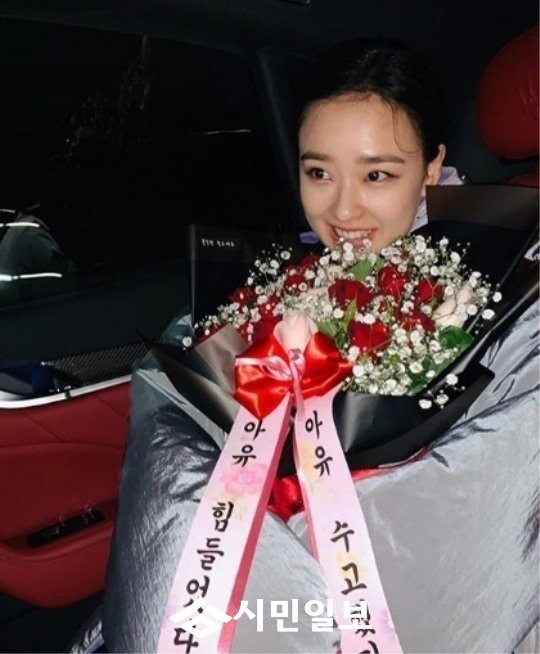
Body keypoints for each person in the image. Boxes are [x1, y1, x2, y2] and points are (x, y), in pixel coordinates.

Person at [101, 38, 538, 654]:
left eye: (377, 174)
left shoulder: (499, 282)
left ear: (432, 167)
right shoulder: (297, 274)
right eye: (318, 173)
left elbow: (488, 499)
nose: (343, 209)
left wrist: (302, 540)